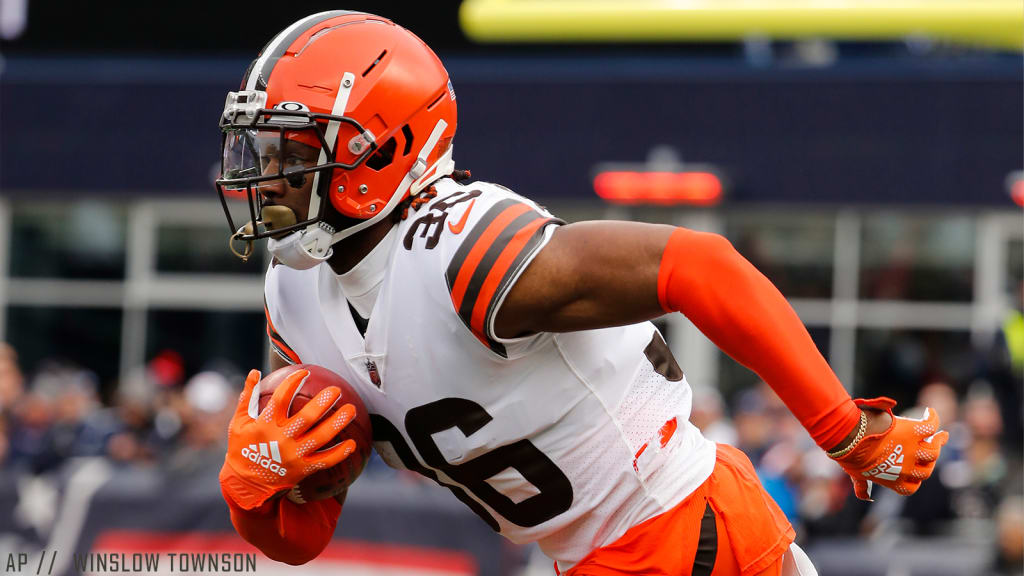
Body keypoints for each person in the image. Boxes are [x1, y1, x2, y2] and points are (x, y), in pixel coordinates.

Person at [215, 12, 948, 576]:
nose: (269, 178)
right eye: (265, 152)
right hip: (586, 557)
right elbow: (303, 537)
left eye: (295, 152)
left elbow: (699, 265)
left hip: (684, 531)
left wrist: (848, 432)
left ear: (384, 149)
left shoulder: (458, 250)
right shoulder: (297, 292)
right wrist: (256, 487)